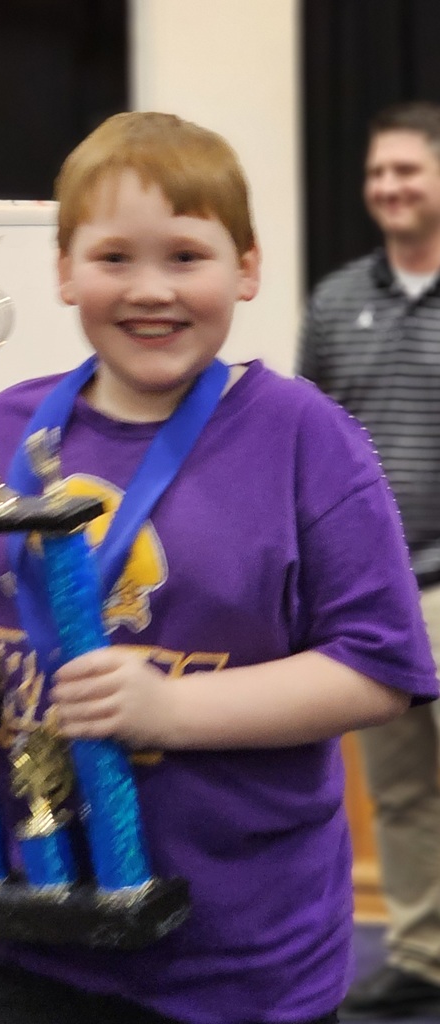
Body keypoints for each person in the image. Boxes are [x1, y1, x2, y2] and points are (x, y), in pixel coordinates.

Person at [0, 111, 438, 1024]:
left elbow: (378, 669)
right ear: (65, 270)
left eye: (186, 255)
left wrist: (173, 710)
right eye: (113, 258)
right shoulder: (1, 435)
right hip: (20, 938)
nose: (151, 289)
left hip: (235, 962)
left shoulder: (305, 438)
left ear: (247, 266)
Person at [298, 100, 440, 1019]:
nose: (387, 187)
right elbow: (303, 441)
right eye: (376, 173)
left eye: (406, 171)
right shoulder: (336, 299)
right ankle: (424, 954)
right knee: (398, 793)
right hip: (373, 589)